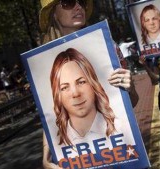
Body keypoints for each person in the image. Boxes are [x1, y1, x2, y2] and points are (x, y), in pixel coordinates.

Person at [38, 0, 138, 168]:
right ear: (53, 14)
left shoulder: (107, 47)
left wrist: (131, 88)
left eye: (81, 2)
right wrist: (46, 157)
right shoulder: (43, 61)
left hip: (119, 152)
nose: (78, 7)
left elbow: (132, 103)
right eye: (68, 2)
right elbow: (49, 114)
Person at [50, 48, 133, 155]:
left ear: (93, 84)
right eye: (65, 87)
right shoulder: (58, 140)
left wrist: (130, 90)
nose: (75, 94)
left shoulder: (120, 126)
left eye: (81, 82)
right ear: (58, 95)